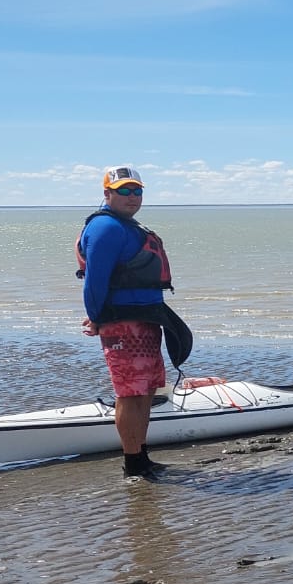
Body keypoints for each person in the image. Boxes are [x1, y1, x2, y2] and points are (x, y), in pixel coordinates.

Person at [77, 166, 190, 480]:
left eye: (137, 191)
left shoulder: (127, 226)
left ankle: (142, 457)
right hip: (122, 324)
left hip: (146, 319)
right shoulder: (105, 228)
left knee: (145, 392)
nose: (132, 197)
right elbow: (94, 281)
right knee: (129, 394)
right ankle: (133, 464)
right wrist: (98, 318)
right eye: (123, 191)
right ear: (107, 194)